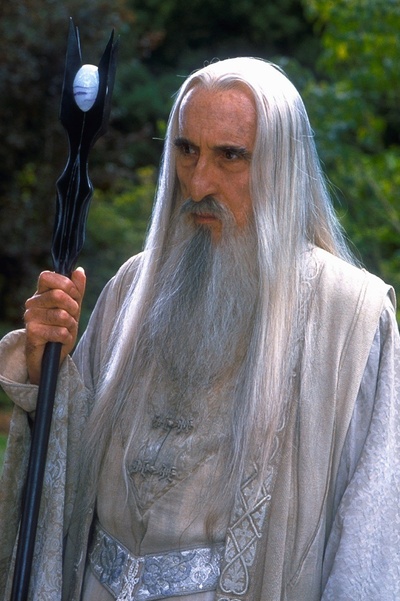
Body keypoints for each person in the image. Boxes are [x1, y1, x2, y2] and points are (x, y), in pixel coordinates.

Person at [0, 57, 399, 601]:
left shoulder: (351, 318)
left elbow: (370, 549)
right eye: (187, 151)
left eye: (230, 156)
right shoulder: (134, 285)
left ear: (281, 167)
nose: (198, 182)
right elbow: (68, 473)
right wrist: (46, 370)